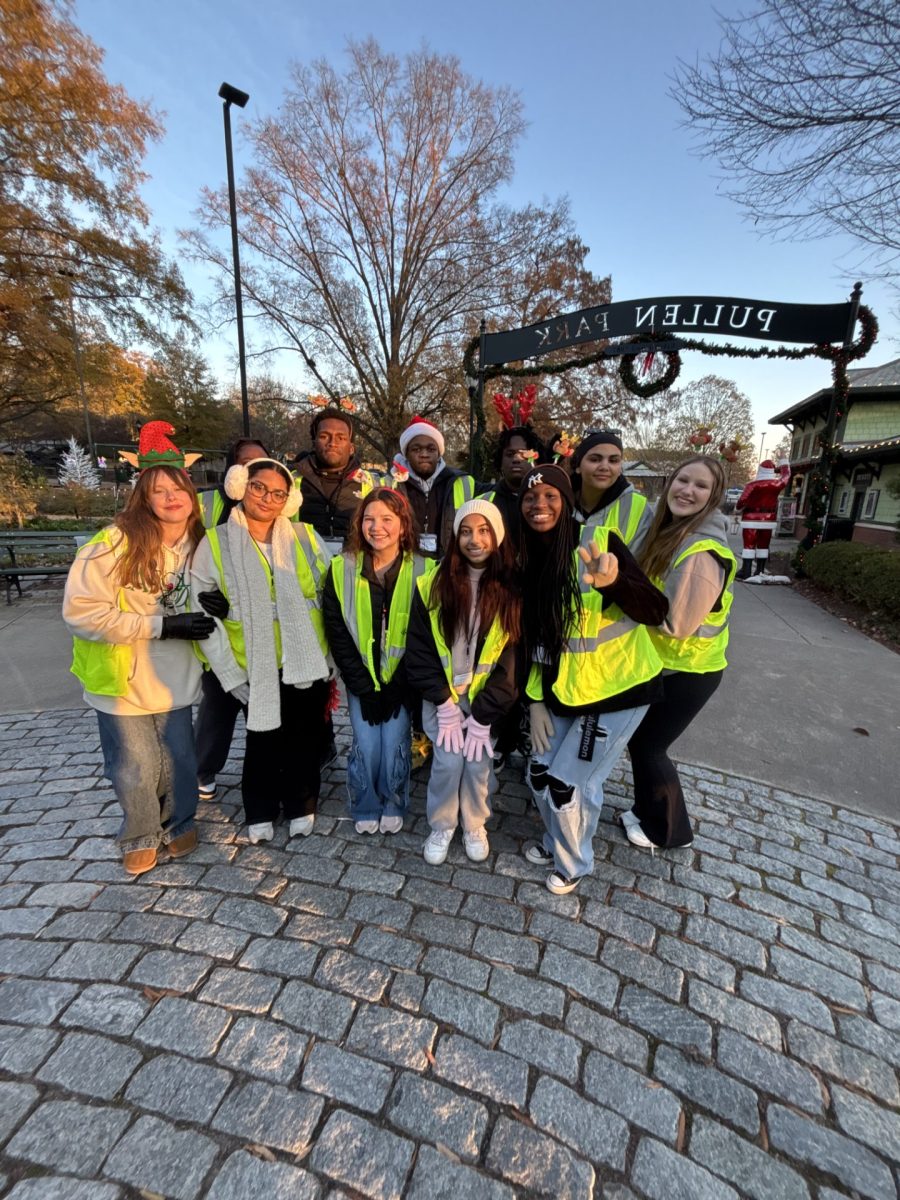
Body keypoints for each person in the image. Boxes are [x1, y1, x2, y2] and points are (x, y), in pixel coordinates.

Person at [62, 421, 215, 876]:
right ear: (142, 499)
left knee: (179, 758)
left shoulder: (200, 546)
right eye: (159, 491)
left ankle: (180, 822)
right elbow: (83, 613)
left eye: (178, 489)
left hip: (175, 677)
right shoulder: (112, 544)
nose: (171, 498)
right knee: (134, 765)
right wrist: (159, 626)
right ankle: (140, 833)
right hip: (123, 676)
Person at [518, 462, 668, 894]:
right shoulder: (526, 560)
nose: (539, 504)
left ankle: (574, 863)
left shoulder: (599, 543)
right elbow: (535, 644)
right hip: (567, 690)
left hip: (619, 690)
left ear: (566, 502)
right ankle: (555, 840)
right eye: (530, 497)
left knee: (569, 784)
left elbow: (656, 611)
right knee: (539, 773)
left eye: (550, 495)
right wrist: (535, 701)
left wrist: (615, 581)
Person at [190, 456, 332, 844]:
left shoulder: (304, 537)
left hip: (305, 660)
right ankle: (260, 809)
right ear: (241, 485)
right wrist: (228, 672)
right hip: (251, 660)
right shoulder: (216, 541)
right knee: (262, 738)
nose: (267, 498)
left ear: (289, 499)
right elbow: (201, 611)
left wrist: (331, 657)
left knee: (304, 738)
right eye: (259, 487)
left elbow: (328, 597)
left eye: (278, 493)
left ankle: (302, 804)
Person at [623, 456, 737, 850]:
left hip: (689, 672)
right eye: (682, 480)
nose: (688, 490)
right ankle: (644, 810)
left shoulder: (701, 552)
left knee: (650, 747)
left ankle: (670, 831)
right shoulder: (667, 530)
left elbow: (675, 624)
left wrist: (621, 595)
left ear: (713, 496)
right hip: (665, 666)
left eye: (700, 486)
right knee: (640, 742)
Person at [405, 499, 520, 865]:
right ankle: (442, 825)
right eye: (466, 531)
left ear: (497, 537)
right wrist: (443, 702)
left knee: (477, 764)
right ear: (456, 538)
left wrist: (485, 715)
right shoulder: (432, 585)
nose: (475, 539)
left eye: (484, 530)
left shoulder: (511, 591)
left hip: (486, 700)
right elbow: (420, 650)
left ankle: (474, 823)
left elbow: (512, 660)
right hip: (444, 699)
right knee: (448, 762)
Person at [323, 488, 429, 835]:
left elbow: (425, 634)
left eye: (387, 519)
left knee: (394, 744)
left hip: (401, 681)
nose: (377, 527)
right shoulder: (342, 568)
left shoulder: (424, 570)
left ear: (402, 525)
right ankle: (366, 802)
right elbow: (337, 629)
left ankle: (393, 800)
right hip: (362, 680)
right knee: (367, 744)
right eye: (369, 518)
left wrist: (399, 685)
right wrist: (362, 686)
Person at [195, 436, 269, 802]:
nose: (252, 472)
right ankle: (204, 766)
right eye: (245, 465)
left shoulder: (278, 503)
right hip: (218, 620)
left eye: (260, 464)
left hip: (262, 626)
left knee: (265, 707)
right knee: (219, 702)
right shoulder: (207, 504)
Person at [293, 407, 381, 556]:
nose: (332, 443)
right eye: (324, 436)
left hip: (352, 573)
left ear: (352, 448)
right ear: (314, 443)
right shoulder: (292, 480)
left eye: (341, 437)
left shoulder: (372, 484)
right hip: (303, 573)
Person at [392, 416, 476, 559]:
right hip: (403, 569)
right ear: (406, 453)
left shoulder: (462, 482)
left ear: (439, 453)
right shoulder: (390, 484)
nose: (424, 454)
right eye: (416, 449)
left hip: (446, 568)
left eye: (431, 449)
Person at [572, 430, 652, 549]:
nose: (604, 467)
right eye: (595, 459)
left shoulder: (638, 507)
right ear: (578, 466)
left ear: (620, 468)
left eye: (613, 461)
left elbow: (640, 562)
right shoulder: (558, 500)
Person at [478, 424, 545, 541]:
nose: (516, 459)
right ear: (500, 461)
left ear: (536, 459)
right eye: (510, 454)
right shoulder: (483, 503)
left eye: (524, 454)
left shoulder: (550, 502)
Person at [735, 459, 791, 579]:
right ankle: (760, 571)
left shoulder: (752, 485)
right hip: (768, 519)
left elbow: (741, 502)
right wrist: (783, 461)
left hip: (751, 518)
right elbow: (786, 475)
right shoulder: (777, 484)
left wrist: (740, 507)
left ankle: (746, 570)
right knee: (763, 545)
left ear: (760, 471)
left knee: (749, 546)